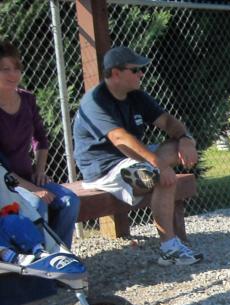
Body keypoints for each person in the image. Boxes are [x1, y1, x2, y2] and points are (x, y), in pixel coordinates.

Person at [72, 46, 203, 265]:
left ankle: (169, 246)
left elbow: (168, 122)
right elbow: (120, 139)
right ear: (116, 73)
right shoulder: (95, 100)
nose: (141, 74)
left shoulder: (136, 96)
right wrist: (159, 165)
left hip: (134, 159)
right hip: (104, 168)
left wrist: (186, 139)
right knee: (160, 177)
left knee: (174, 147)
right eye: (135, 70)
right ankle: (169, 249)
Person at [0, 40, 80, 248]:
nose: (13, 74)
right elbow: (2, 170)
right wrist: (33, 190)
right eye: (5, 69)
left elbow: (41, 140)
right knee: (36, 204)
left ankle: (63, 257)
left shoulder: (27, 99)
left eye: (17, 68)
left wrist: (40, 170)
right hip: (5, 185)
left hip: (28, 178)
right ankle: (41, 266)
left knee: (70, 201)